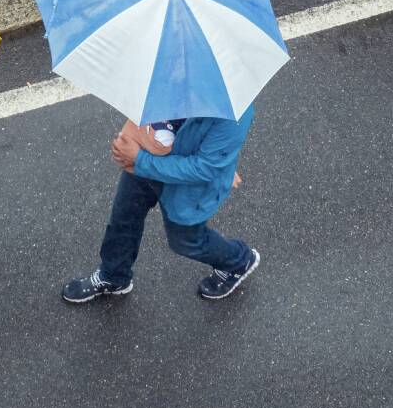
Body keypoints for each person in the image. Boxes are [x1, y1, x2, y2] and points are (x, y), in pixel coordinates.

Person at [62, 108, 257, 303]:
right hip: (149, 154)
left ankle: (238, 261)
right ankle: (113, 276)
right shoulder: (174, 78)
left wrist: (139, 159)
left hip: (184, 183)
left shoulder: (235, 111)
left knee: (186, 242)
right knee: (124, 219)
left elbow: (204, 168)